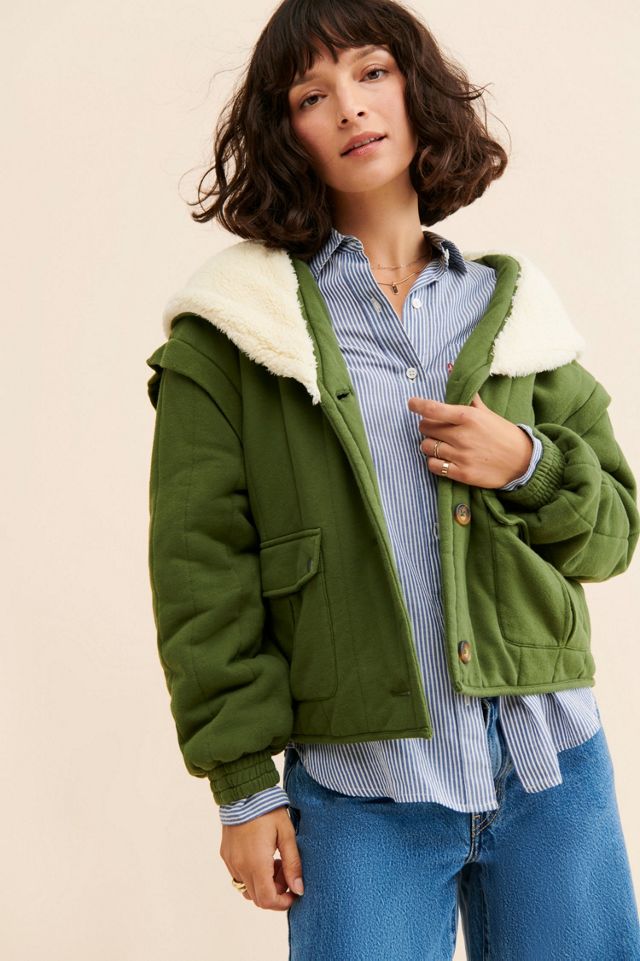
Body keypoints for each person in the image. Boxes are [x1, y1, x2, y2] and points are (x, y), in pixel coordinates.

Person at [144, 0, 640, 957]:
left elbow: (614, 531)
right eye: (311, 95)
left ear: (418, 90)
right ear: (285, 131)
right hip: (361, 789)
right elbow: (200, 570)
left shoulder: (515, 310)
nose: (350, 107)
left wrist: (527, 464)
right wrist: (243, 786)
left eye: (373, 72)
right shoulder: (233, 332)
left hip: (552, 769)